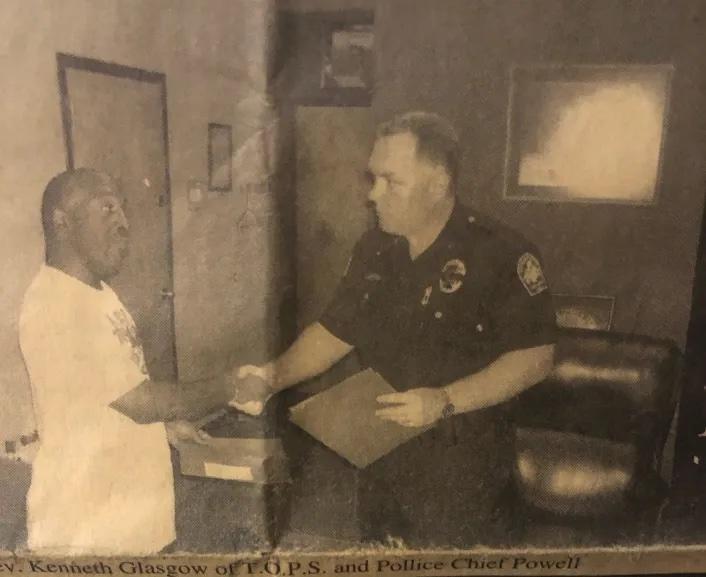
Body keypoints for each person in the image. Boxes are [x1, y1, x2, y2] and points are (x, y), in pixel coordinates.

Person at [232, 111, 557, 547]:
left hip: (464, 464)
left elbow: (535, 358)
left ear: (438, 184)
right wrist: (271, 376)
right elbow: (335, 330)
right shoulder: (375, 249)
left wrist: (444, 400)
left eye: (391, 181)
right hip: (383, 455)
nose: (373, 195)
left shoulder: (499, 252)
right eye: (373, 178)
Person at [19, 169, 232, 555]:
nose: (124, 223)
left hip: (132, 521)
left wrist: (164, 428)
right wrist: (232, 387)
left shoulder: (99, 294)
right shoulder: (57, 305)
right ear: (62, 222)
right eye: (107, 208)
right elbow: (140, 402)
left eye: (122, 209)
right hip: (89, 531)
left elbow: (109, 394)